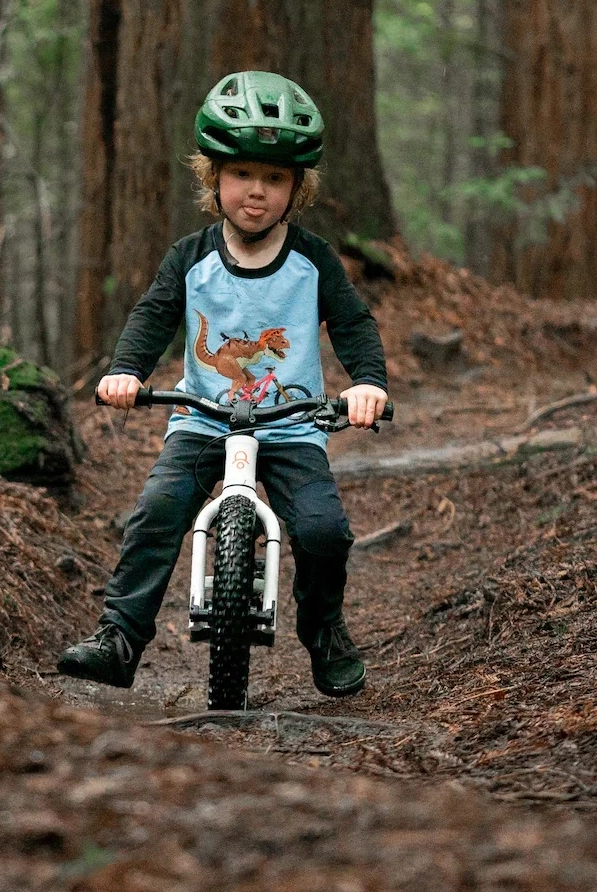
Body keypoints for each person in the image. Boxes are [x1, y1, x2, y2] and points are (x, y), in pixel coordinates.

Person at [58, 71, 389, 698]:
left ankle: (323, 631)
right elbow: (153, 315)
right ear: (214, 178)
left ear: (298, 188)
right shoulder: (191, 256)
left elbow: (352, 324)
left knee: (322, 530)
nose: (256, 193)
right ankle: (121, 634)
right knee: (156, 512)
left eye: (274, 178)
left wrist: (367, 384)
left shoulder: (313, 260)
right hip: (204, 417)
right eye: (241, 174)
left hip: (292, 423)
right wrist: (125, 372)